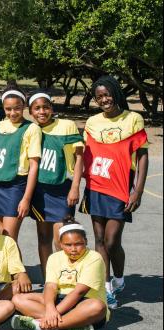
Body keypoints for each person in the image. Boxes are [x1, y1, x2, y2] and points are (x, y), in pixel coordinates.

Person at [80, 75, 149, 309]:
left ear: (116, 93)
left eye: (107, 94)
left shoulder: (133, 119)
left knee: (111, 241)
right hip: (95, 187)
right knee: (98, 240)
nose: (104, 99)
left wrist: (137, 191)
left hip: (120, 188)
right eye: (99, 96)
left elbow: (142, 156)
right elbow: (85, 155)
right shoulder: (92, 122)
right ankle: (105, 288)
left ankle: (118, 278)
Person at [11, 219, 109, 330]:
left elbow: (79, 292)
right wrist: (51, 309)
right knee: (17, 299)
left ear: (86, 242)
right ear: (61, 244)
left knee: (97, 307)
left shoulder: (94, 257)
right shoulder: (54, 257)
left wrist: (52, 314)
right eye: (68, 245)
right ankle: (72, 325)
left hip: (84, 301)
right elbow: (50, 286)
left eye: (78, 244)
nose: (73, 249)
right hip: (59, 298)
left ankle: (41, 325)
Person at [28, 92, 84, 275]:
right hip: (40, 191)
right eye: (37, 108)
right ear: (30, 112)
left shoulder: (66, 126)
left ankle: (66, 276)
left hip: (62, 189)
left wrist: (75, 187)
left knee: (61, 238)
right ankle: (48, 279)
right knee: (43, 238)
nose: (42, 111)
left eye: (46, 107)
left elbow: (79, 157)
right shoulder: (31, 130)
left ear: (52, 108)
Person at [0, 86, 41, 242]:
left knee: (9, 240)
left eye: (17, 108)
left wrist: (26, 198)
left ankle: (17, 268)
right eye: (8, 109)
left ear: (24, 107)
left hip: (15, 187)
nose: (12, 113)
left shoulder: (31, 128)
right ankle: (6, 267)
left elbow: (34, 165)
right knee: (1, 239)